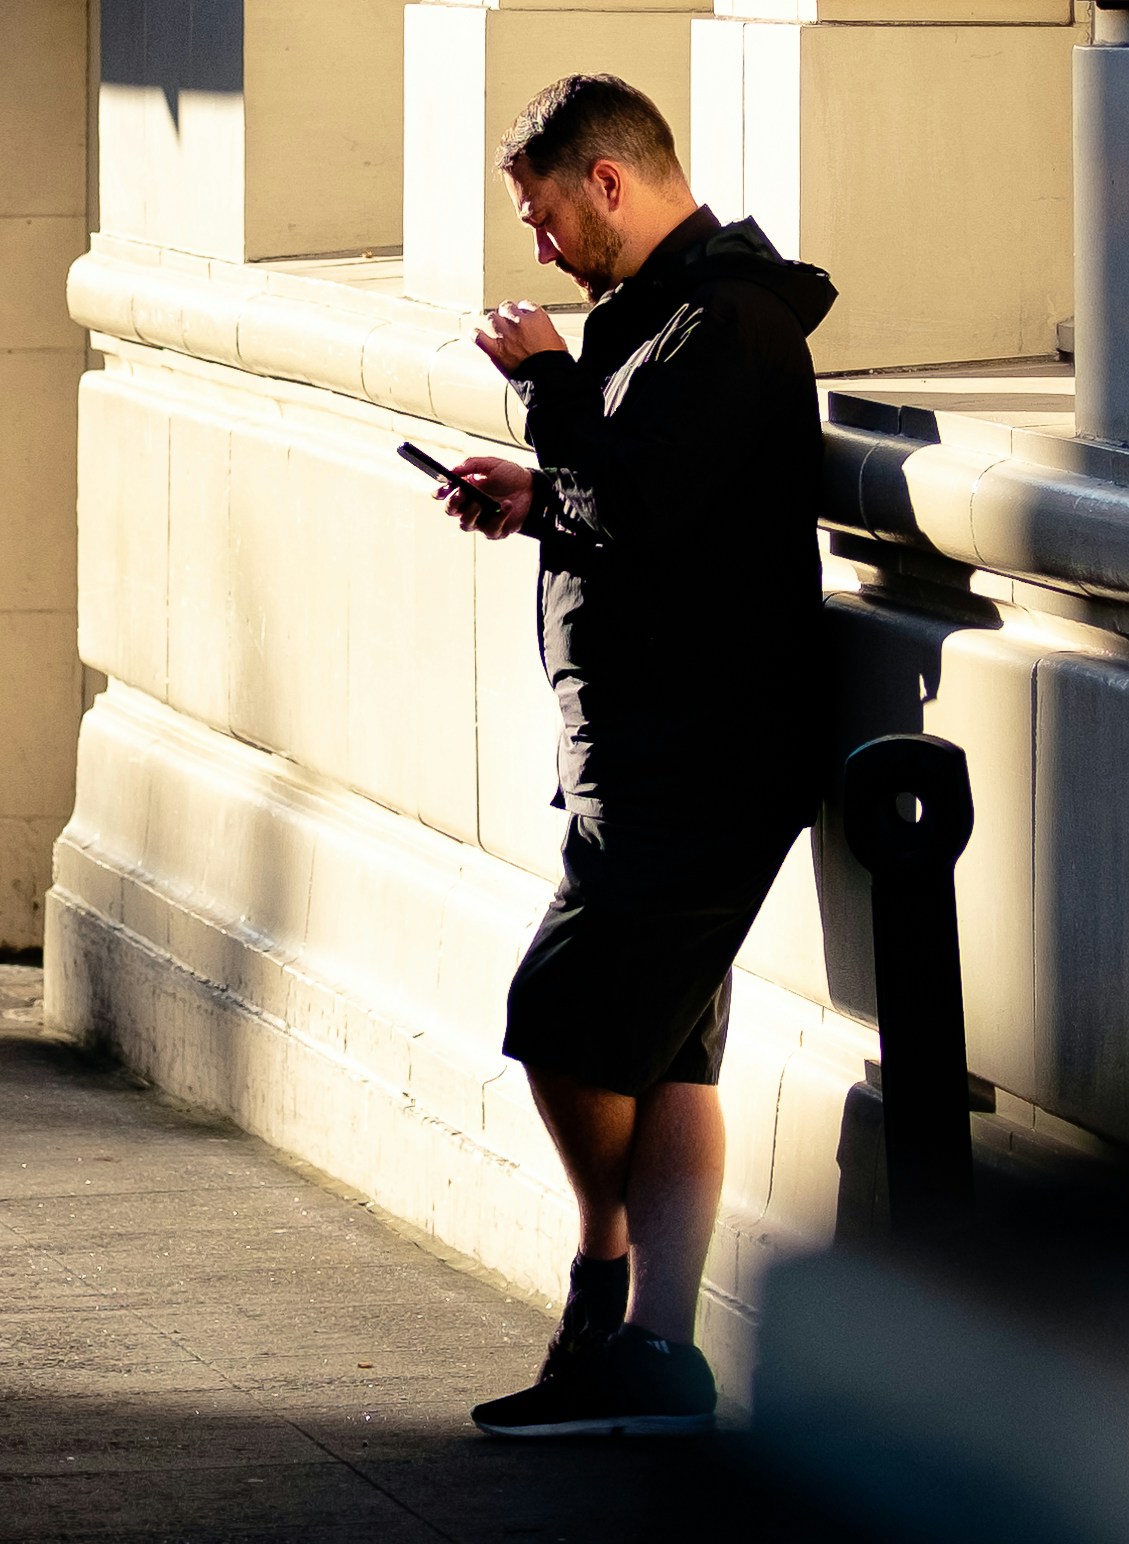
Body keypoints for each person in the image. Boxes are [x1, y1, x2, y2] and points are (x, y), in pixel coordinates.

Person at [432, 72, 834, 1439]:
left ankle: (605, 1285)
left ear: (606, 182)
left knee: (561, 1019)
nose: (538, 245)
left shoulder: (725, 325)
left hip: (698, 753)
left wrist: (545, 390)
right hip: (655, 743)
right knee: (670, 1055)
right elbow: (628, 500)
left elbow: (646, 500)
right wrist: (533, 498)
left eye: (543, 212)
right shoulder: (666, 319)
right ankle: (656, 1360)